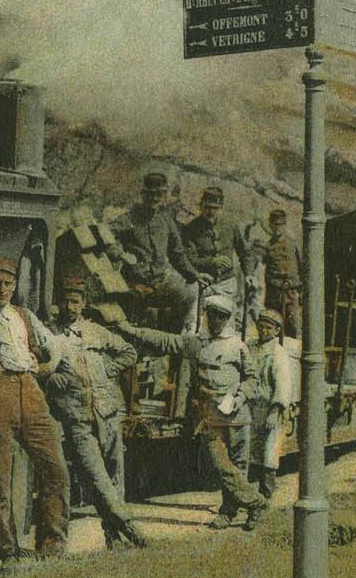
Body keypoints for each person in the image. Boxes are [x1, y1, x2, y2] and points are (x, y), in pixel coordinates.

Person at [120, 295, 268, 530]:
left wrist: (238, 398)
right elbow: (166, 341)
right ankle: (256, 502)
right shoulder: (196, 343)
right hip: (210, 417)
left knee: (238, 468)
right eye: (212, 315)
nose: (216, 320)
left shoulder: (238, 346)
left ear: (228, 319)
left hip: (238, 417)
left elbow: (252, 378)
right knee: (221, 468)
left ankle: (229, 512)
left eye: (222, 316)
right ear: (206, 316)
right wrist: (132, 330)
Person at [0, 257, 69, 561]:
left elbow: (57, 347)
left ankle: (52, 548)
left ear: (14, 285)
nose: (2, 289)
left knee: (55, 467)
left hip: (31, 391)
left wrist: (46, 366)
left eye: (7, 283)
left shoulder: (26, 316)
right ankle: (6, 552)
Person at [43, 274, 150, 550]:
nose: (70, 307)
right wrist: (49, 378)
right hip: (76, 417)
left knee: (116, 475)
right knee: (97, 477)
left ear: (83, 303)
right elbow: (36, 365)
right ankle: (131, 528)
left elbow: (129, 353)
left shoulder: (95, 331)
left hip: (107, 411)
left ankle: (112, 537)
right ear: (58, 303)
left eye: (75, 302)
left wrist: (104, 370)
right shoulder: (49, 335)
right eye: (65, 301)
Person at [110, 171, 198, 332]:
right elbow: (107, 235)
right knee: (131, 323)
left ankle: (169, 341)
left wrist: (194, 275)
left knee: (187, 297)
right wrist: (121, 254)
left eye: (159, 194)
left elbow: (177, 253)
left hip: (160, 282)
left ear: (164, 196)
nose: (154, 199)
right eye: (150, 194)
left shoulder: (166, 220)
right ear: (143, 194)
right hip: (133, 283)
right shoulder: (130, 218)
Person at [181, 186, 258, 332]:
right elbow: (188, 259)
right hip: (201, 283)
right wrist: (211, 262)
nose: (211, 211)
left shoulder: (230, 225)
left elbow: (245, 252)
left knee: (227, 325)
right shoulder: (190, 228)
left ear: (221, 207)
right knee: (193, 324)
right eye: (207, 207)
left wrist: (249, 274)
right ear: (201, 205)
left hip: (226, 283)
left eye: (215, 208)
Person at [248, 308, 301, 500]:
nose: (264, 331)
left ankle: (266, 495)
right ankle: (250, 499)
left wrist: (275, 410)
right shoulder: (251, 347)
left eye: (268, 328)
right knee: (251, 452)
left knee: (268, 454)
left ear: (277, 330)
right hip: (251, 408)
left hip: (270, 410)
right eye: (261, 327)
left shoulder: (278, 354)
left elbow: (283, 384)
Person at [262, 208, 304, 338]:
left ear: (285, 225)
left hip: (291, 292)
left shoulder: (293, 244)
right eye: (274, 224)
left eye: (280, 224)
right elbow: (263, 268)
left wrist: (299, 288)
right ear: (270, 225)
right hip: (274, 292)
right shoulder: (267, 246)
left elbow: (302, 267)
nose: (277, 228)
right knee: (273, 324)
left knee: (293, 325)